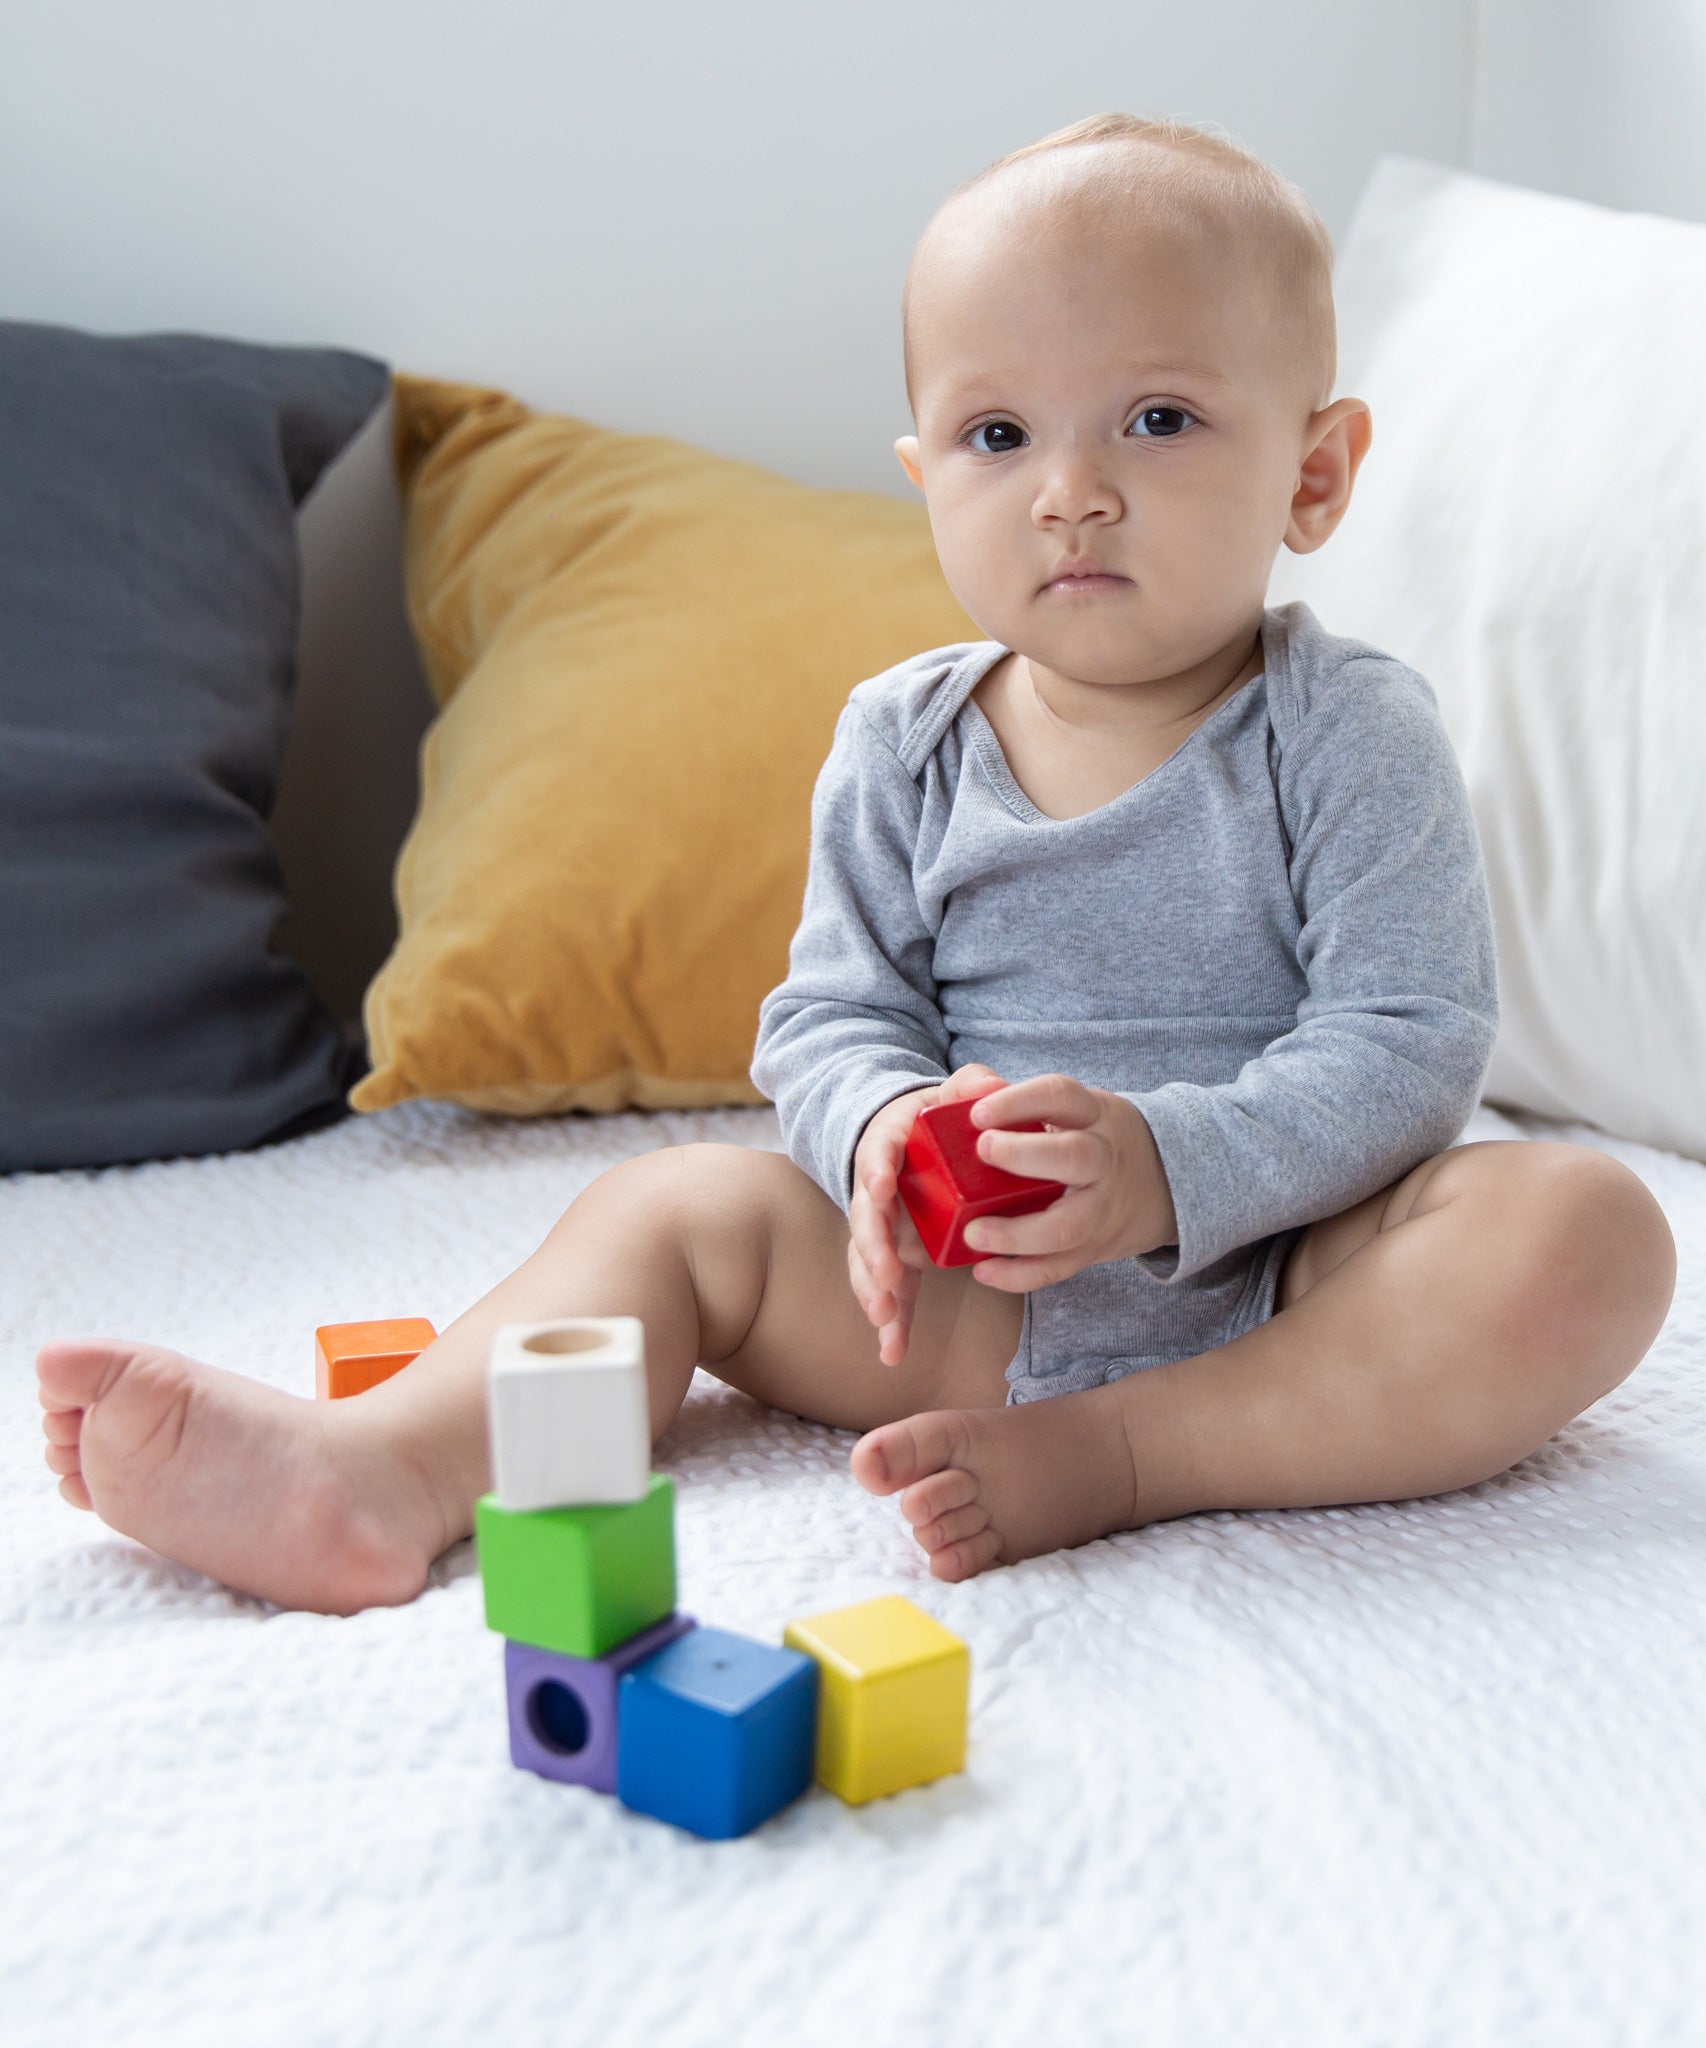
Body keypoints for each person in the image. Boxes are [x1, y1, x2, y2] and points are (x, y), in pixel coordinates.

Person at [36, 112, 1676, 1615]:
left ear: (1311, 473)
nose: (1072, 492)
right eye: (996, 434)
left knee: (1580, 1229)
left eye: (1158, 420)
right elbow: (828, 1020)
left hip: (1289, 1292)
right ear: (924, 482)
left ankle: (1138, 1453)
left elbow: (1409, 1039)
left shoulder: (1346, 730)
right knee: (671, 1207)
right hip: (955, 1305)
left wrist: (1164, 1171)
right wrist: (886, 1128)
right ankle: (386, 1466)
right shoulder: (902, 741)